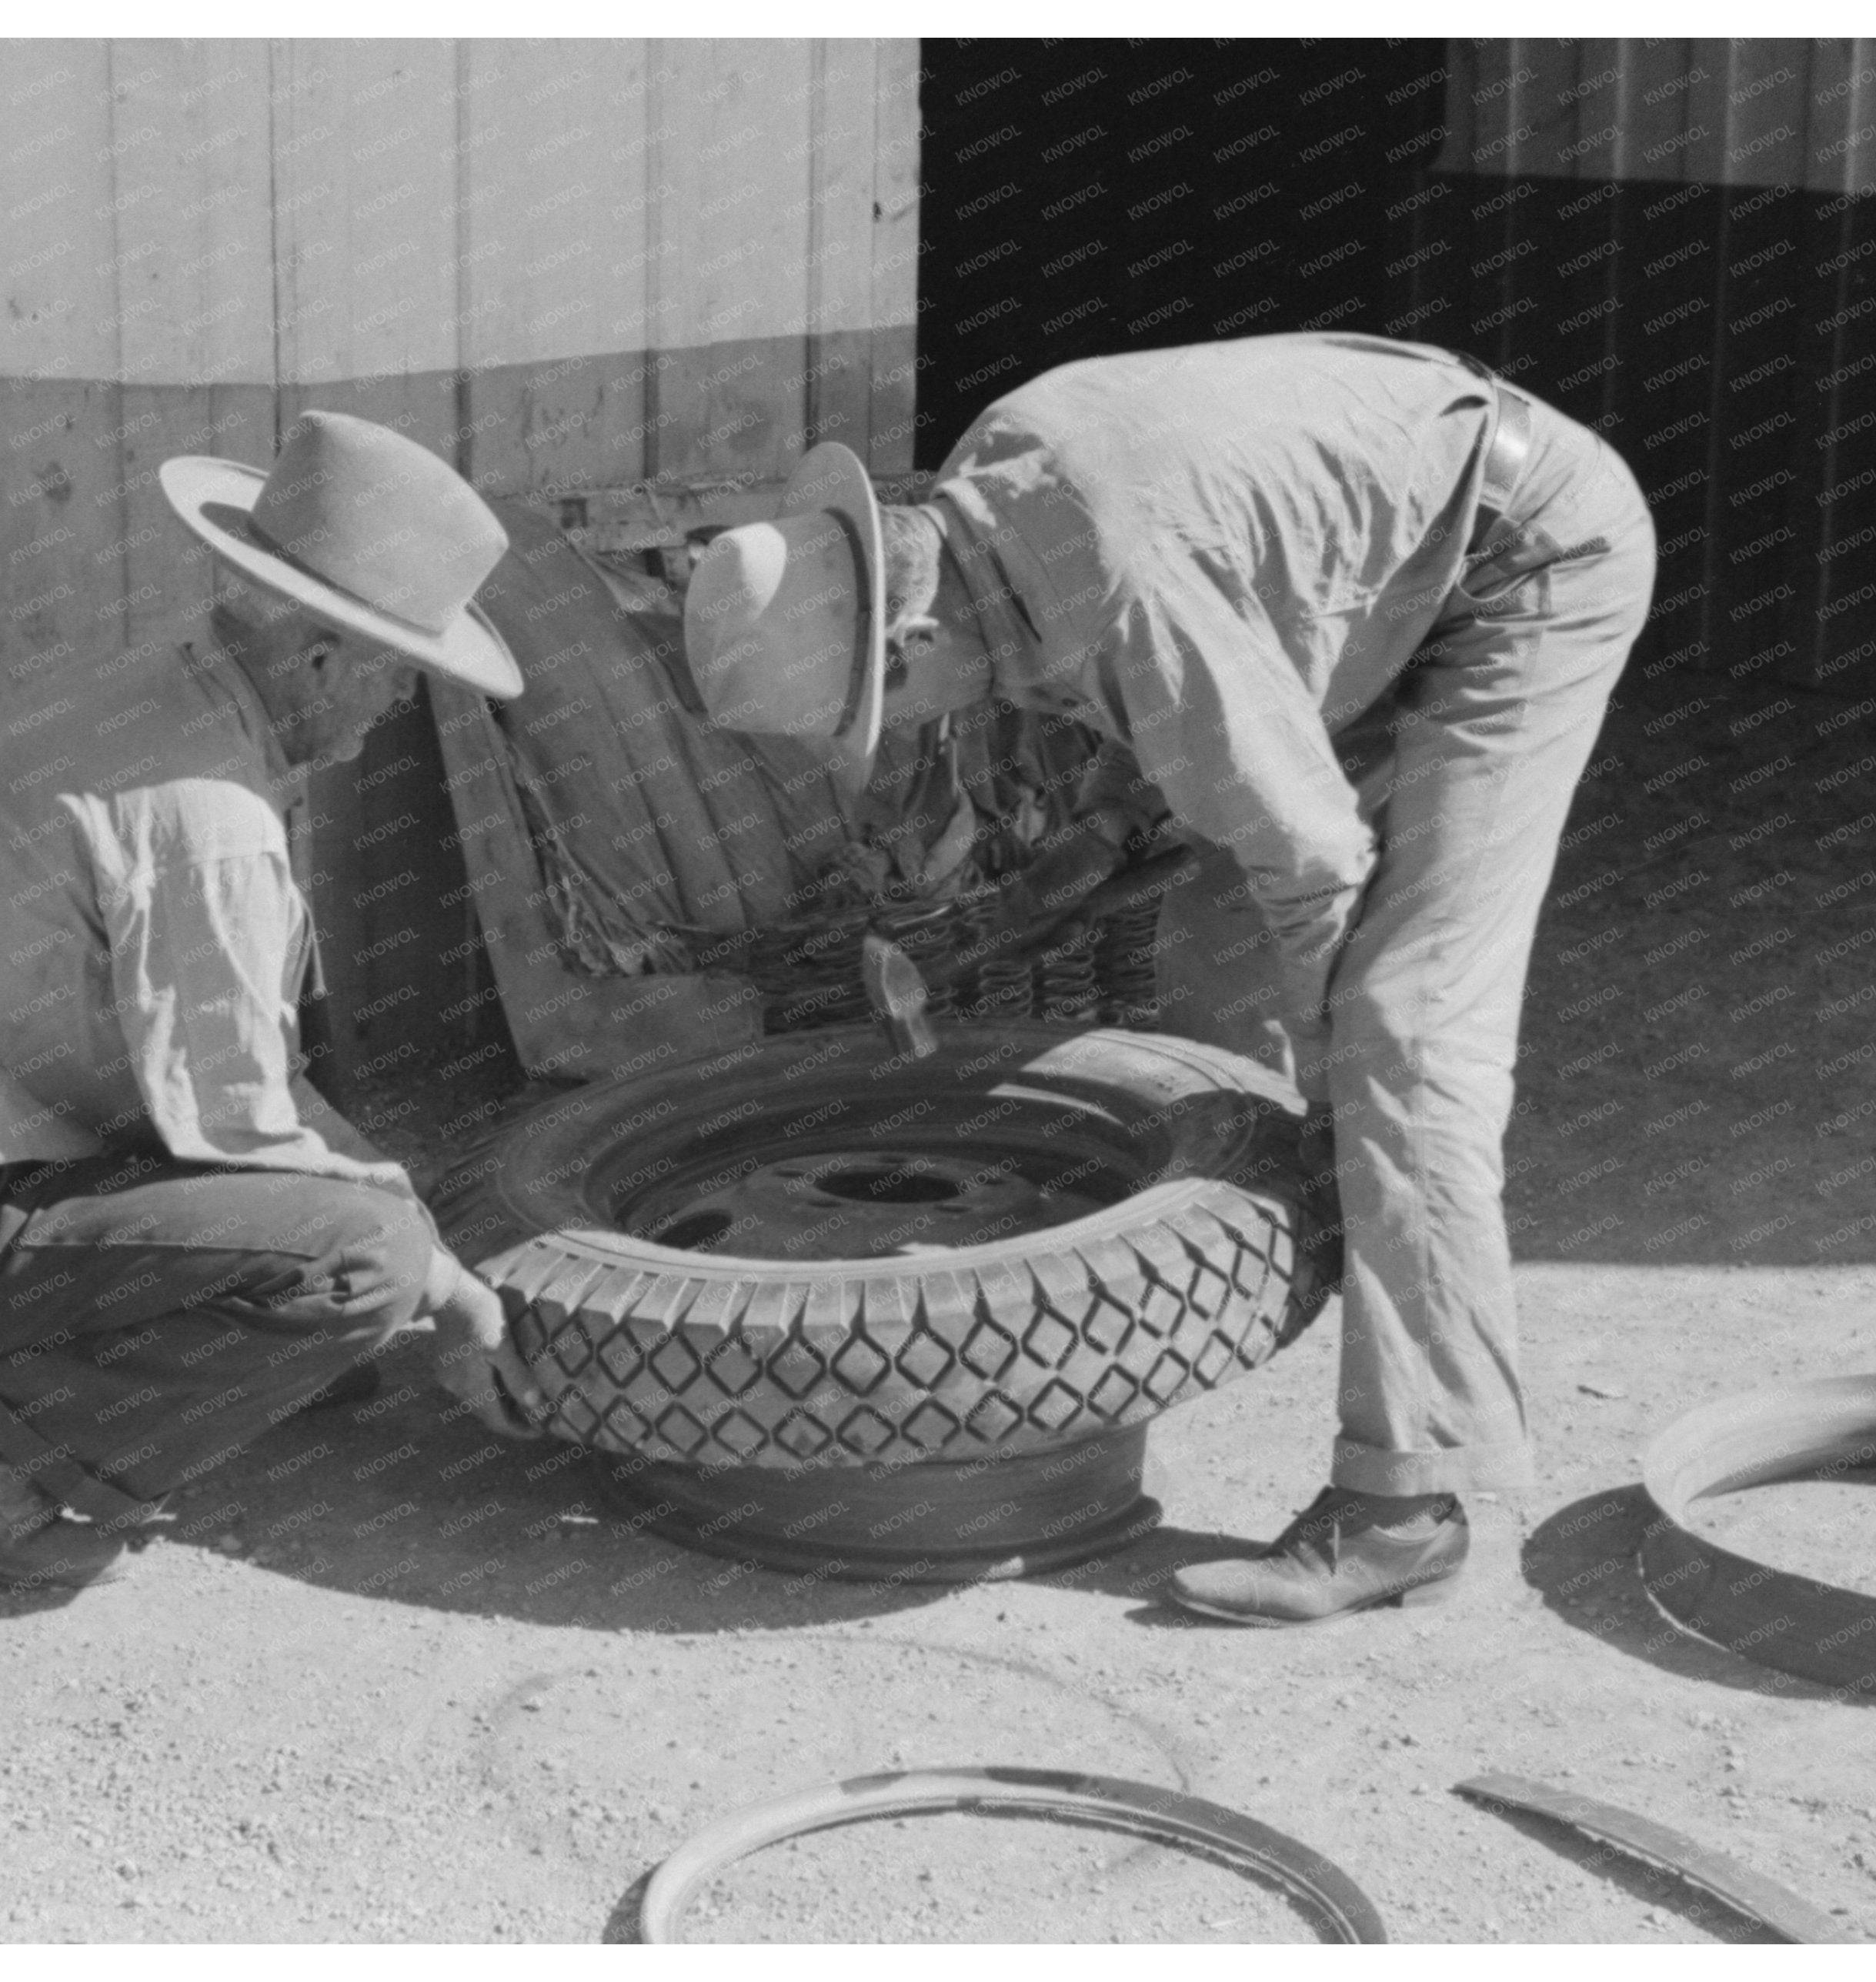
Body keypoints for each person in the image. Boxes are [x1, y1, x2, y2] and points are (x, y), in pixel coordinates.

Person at [683, 332, 1656, 1623]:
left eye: (887, 707)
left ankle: (1404, 1506)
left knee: (1403, 1029)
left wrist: (1326, 1093)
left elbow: (1311, 861)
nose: (907, 729)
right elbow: (1167, 720)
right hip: (1380, 543)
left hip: (1524, 563)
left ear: (906, 632)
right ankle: (1355, 1244)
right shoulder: (997, 468)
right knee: (1216, 921)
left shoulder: (1126, 592)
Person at [0, 412, 549, 1590]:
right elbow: (236, 1120)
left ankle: (194, 1358)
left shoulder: (152, 694)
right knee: (361, 1257)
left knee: (340, 1147)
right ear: (326, 656)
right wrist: (449, 1289)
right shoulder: (208, 817)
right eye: (398, 673)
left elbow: (230, 1072)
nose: (396, 707)